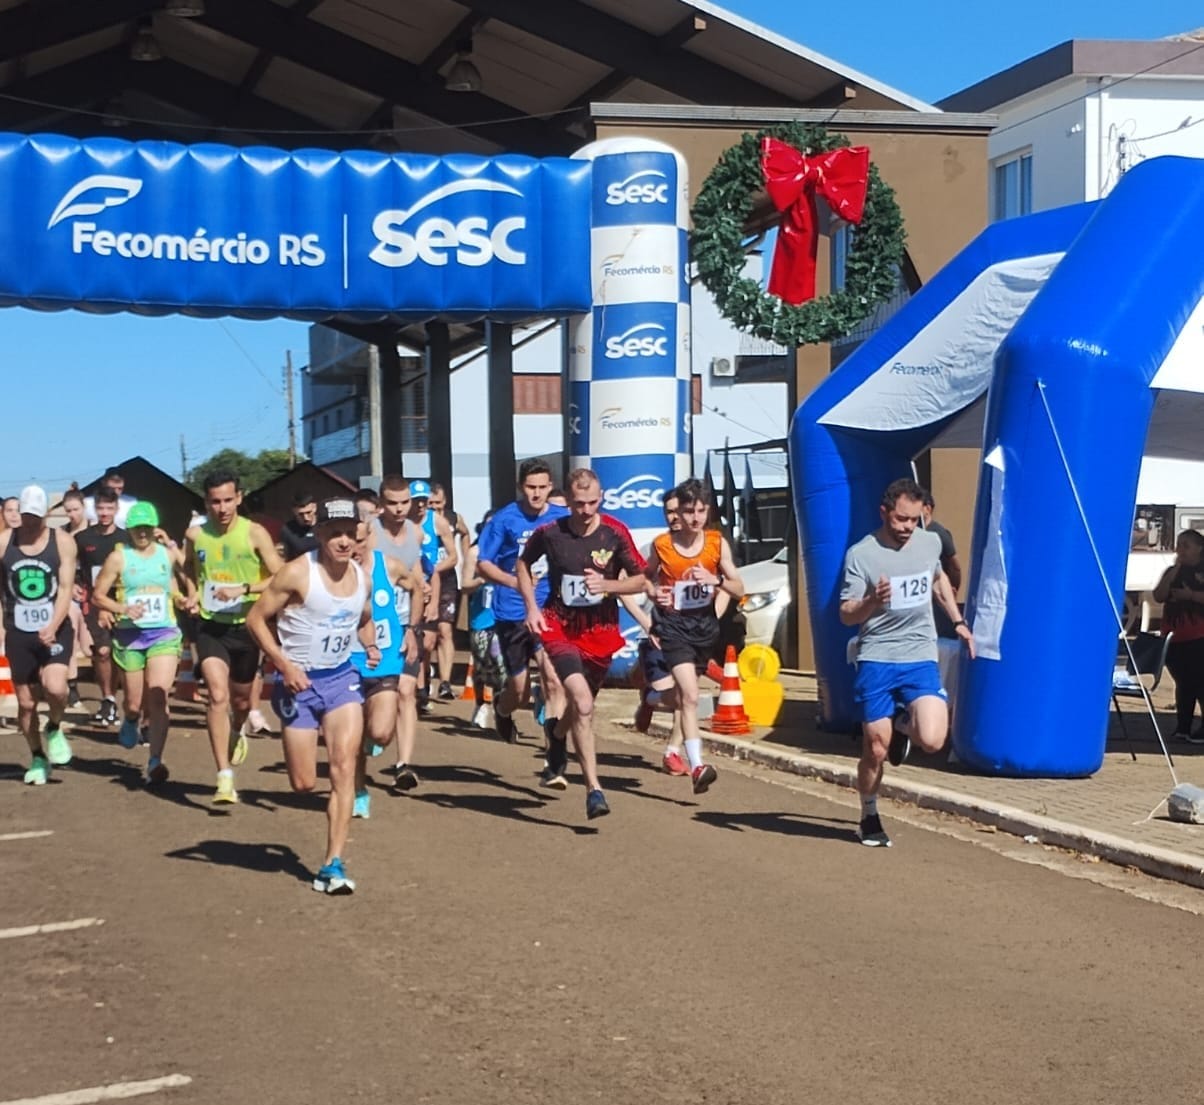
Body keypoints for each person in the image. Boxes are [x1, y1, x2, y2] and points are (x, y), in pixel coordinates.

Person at [247, 498, 373, 895]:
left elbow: (363, 615)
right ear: (319, 534)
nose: (342, 541)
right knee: (303, 784)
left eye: (348, 533)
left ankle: (332, 863)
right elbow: (255, 619)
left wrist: (369, 644)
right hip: (297, 685)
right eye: (333, 533)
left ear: (357, 535)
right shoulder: (298, 573)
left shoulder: (361, 575)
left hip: (341, 681)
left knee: (342, 767)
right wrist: (284, 665)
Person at [840, 478, 975, 847]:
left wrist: (958, 621)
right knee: (877, 749)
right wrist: (872, 600)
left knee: (933, 739)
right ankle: (869, 814)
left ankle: (903, 724)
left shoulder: (929, 542)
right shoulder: (861, 554)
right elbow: (847, 615)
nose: (906, 528)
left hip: (918, 655)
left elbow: (938, 580)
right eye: (900, 519)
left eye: (914, 520)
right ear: (884, 512)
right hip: (877, 658)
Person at [518, 469, 647, 819]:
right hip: (559, 628)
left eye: (592, 503)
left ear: (601, 498)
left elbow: (642, 579)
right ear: (568, 501)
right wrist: (531, 607)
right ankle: (594, 790)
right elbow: (522, 563)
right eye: (578, 504)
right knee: (583, 703)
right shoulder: (551, 533)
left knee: (580, 708)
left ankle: (557, 734)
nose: (586, 510)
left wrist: (609, 587)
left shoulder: (615, 533)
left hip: (600, 631)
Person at [184, 471, 283, 804]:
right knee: (216, 694)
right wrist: (192, 595)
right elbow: (189, 570)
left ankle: (238, 729)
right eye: (215, 501)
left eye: (228, 500)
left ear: (239, 497)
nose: (222, 508)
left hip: (247, 627)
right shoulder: (195, 535)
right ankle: (223, 777)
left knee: (240, 702)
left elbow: (280, 578)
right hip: (212, 628)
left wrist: (243, 589)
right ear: (206, 502)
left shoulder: (255, 534)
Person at [643, 478, 744, 795]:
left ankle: (651, 698)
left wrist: (715, 579)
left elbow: (739, 588)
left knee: (684, 695)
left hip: (704, 629)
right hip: (673, 627)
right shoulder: (662, 545)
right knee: (689, 695)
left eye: (701, 510)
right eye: (689, 511)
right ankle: (698, 765)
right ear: (680, 513)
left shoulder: (717, 543)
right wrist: (655, 593)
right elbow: (644, 579)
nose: (695, 518)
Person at [91, 502, 194, 785]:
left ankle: (155, 760)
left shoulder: (166, 554)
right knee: (135, 703)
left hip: (164, 633)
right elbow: (97, 594)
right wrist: (121, 609)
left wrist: (183, 599)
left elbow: (180, 580)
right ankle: (132, 719)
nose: (143, 533)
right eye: (137, 528)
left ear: (154, 527)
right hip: (130, 636)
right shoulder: (119, 558)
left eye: (147, 528)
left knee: (159, 696)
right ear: (130, 529)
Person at [476, 458, 569, 744]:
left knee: (553, 678)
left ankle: (554, 752)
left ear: (551, 486)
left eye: (542, 487)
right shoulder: (504, 519)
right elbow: (483, 564)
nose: (537, 493)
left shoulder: (562, 517)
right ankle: (503, 711)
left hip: (549, 608)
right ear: (520, 487)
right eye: (531, 487)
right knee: (519, 691)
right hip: (512, 610)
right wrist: (516, 582)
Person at [0, 486, 77, 784]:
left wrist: (54, 625)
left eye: (35, 516)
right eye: (25, 515)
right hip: (19, 630)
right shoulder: (5, 542)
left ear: (45, 514)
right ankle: (37, 756)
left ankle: (55, 726)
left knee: (56, 688)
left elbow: (67, 588)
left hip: (55, 628)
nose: (29, 522)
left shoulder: (63, 542)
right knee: (27, 703)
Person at [349, 518, 422, 818]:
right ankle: (358, 790)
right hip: (348, 661)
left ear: (371, 539)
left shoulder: (388, 566)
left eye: (360, 541)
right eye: (348, 540)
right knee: (350, 735)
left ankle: (371, 739)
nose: (354, 547)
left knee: (380, 733)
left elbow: (417, 590)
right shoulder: (331, 572)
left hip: (386, 659)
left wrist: (411, 630)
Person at [370, 475, 432, 790]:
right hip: (372, 627)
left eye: (404, 502)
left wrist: (425, 590)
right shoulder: (368, 531)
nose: (399, 509)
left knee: (407, 692)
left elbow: (417, 570)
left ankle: (404, 764)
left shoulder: (417, 533)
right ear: (381, 504)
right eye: (392, 503)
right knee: (381, 701)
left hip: (406, 625)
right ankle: (372, 733)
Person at [629, 489, 687, 770]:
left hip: (689, 636)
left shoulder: (705, 548)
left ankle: (672, 753)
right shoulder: (656, 549)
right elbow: (626, 588)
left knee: (686, 696)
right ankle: (650, 698)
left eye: (680, 511)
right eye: (670, 512)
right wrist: (646, 622)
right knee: (675, 697)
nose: (675, 517)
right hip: (657, 636)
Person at [75, 487, 129, 726]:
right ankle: (107, 698)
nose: (105, 513)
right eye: (100, 508)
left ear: (117, 509)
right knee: (102, 651)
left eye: (109, 508)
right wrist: (75, 584)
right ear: (94, 509)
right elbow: (71, 566)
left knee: (122, 654)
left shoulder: (126, 539)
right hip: (94, 604)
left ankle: (127, 703)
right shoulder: (82, 539)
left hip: (123, 604)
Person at [408, 480, 458, 704]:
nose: (420, 506)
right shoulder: (402, 523)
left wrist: (432, 570)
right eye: (416, 501)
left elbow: (453, 556)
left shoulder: (437, 522)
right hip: (411, 585)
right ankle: (420, 686)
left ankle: (436, 681)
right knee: (419, 640)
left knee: (432, 639)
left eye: (423, 501)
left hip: (438, 581)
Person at [1152, 529, 1204, 742]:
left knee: (1200, 681)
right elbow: (1159, 596)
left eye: (1186, 546)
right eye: (1179, 545)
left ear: (1199, 548)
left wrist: (1190, 595)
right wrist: (1172, 574)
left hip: (1199, 635)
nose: (1180, 550)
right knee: (1182, 682)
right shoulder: (1173, 570)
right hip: (1174, 637)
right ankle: (1183, 726)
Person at [461, 512, 506, 729]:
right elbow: (465, 585)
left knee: (500, 664)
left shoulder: (509, 551)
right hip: (480, 617)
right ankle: (480, 703)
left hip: (503, 617)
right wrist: (482, 579)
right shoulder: (475, 553)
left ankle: (499, 706)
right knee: (481, 665)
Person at [427, 482, 469, 700]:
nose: (434, 507)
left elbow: (465, 533)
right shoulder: (422, 523)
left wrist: (464, 559)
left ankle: (445, 681)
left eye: (438, 503)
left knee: (445, 631)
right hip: (426, 579)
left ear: (445, 502)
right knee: (428, 636)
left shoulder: (453, 518)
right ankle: (424, 679)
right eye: (430, 503)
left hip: (447, 580)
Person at [61, 487, 91, 708]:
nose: (73, 514)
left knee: (91, 646)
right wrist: (69, 587)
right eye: (68, 510)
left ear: (84, 507)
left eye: (76, 509)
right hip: (69, 593)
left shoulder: (94, 532)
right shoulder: (61, 534)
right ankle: (72, 688)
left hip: (91, 594)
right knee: (69, 640)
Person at [280, 491, 319, 561]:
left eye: (308, 512)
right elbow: (285, 557)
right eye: (301, 514)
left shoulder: (324, 525)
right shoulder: (288, 530)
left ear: (314, 507)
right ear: (294, 511)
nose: (306, 518)